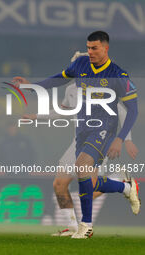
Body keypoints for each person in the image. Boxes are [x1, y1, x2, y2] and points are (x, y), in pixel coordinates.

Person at [14, 31, 140, 239]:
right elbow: (57, 80)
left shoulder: (118, 75)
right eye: (88, 47)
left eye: (94, 48)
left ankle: (86, 227)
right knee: (62, 184)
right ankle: (123, 187)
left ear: (106, 49)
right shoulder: (80, 66)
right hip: (81, 133)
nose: (89, 52)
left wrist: (122, 138)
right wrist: (31, 86)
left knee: (82, 168)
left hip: (104, 130)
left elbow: (132, 110)